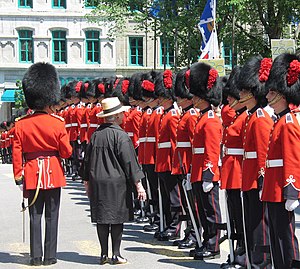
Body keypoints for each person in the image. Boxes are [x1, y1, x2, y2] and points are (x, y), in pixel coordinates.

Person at [12, 62, 73, 266]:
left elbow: (17, 152)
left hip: (31, 173)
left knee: (34, 216)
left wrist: (18, 175)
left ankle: (35, 257)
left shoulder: (21, 124)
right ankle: (50, 257)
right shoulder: (57, 123)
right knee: (52, 216)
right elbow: (66, 152)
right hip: (53, 172)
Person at [81, 97, 146, 265]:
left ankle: (103, 254)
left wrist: (86, 183)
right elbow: (130, 162)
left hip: (98, 182)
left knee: (102, 219)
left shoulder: (95, 136)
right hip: (117, 183)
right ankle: (116, 254)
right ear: (116, 117)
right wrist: (139, 185)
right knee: (117, 219)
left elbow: (86, 162)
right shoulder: (121, 136)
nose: (124, 116)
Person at [262, 53, 300, 268]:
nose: (267, 96)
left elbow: (293, 159)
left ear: (283, 95)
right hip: (273, 186)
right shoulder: (279, 121)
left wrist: (292, 191)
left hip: (282, 188)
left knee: (286, 238)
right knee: (277, 235)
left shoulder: (288, 122)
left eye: (272, 92)